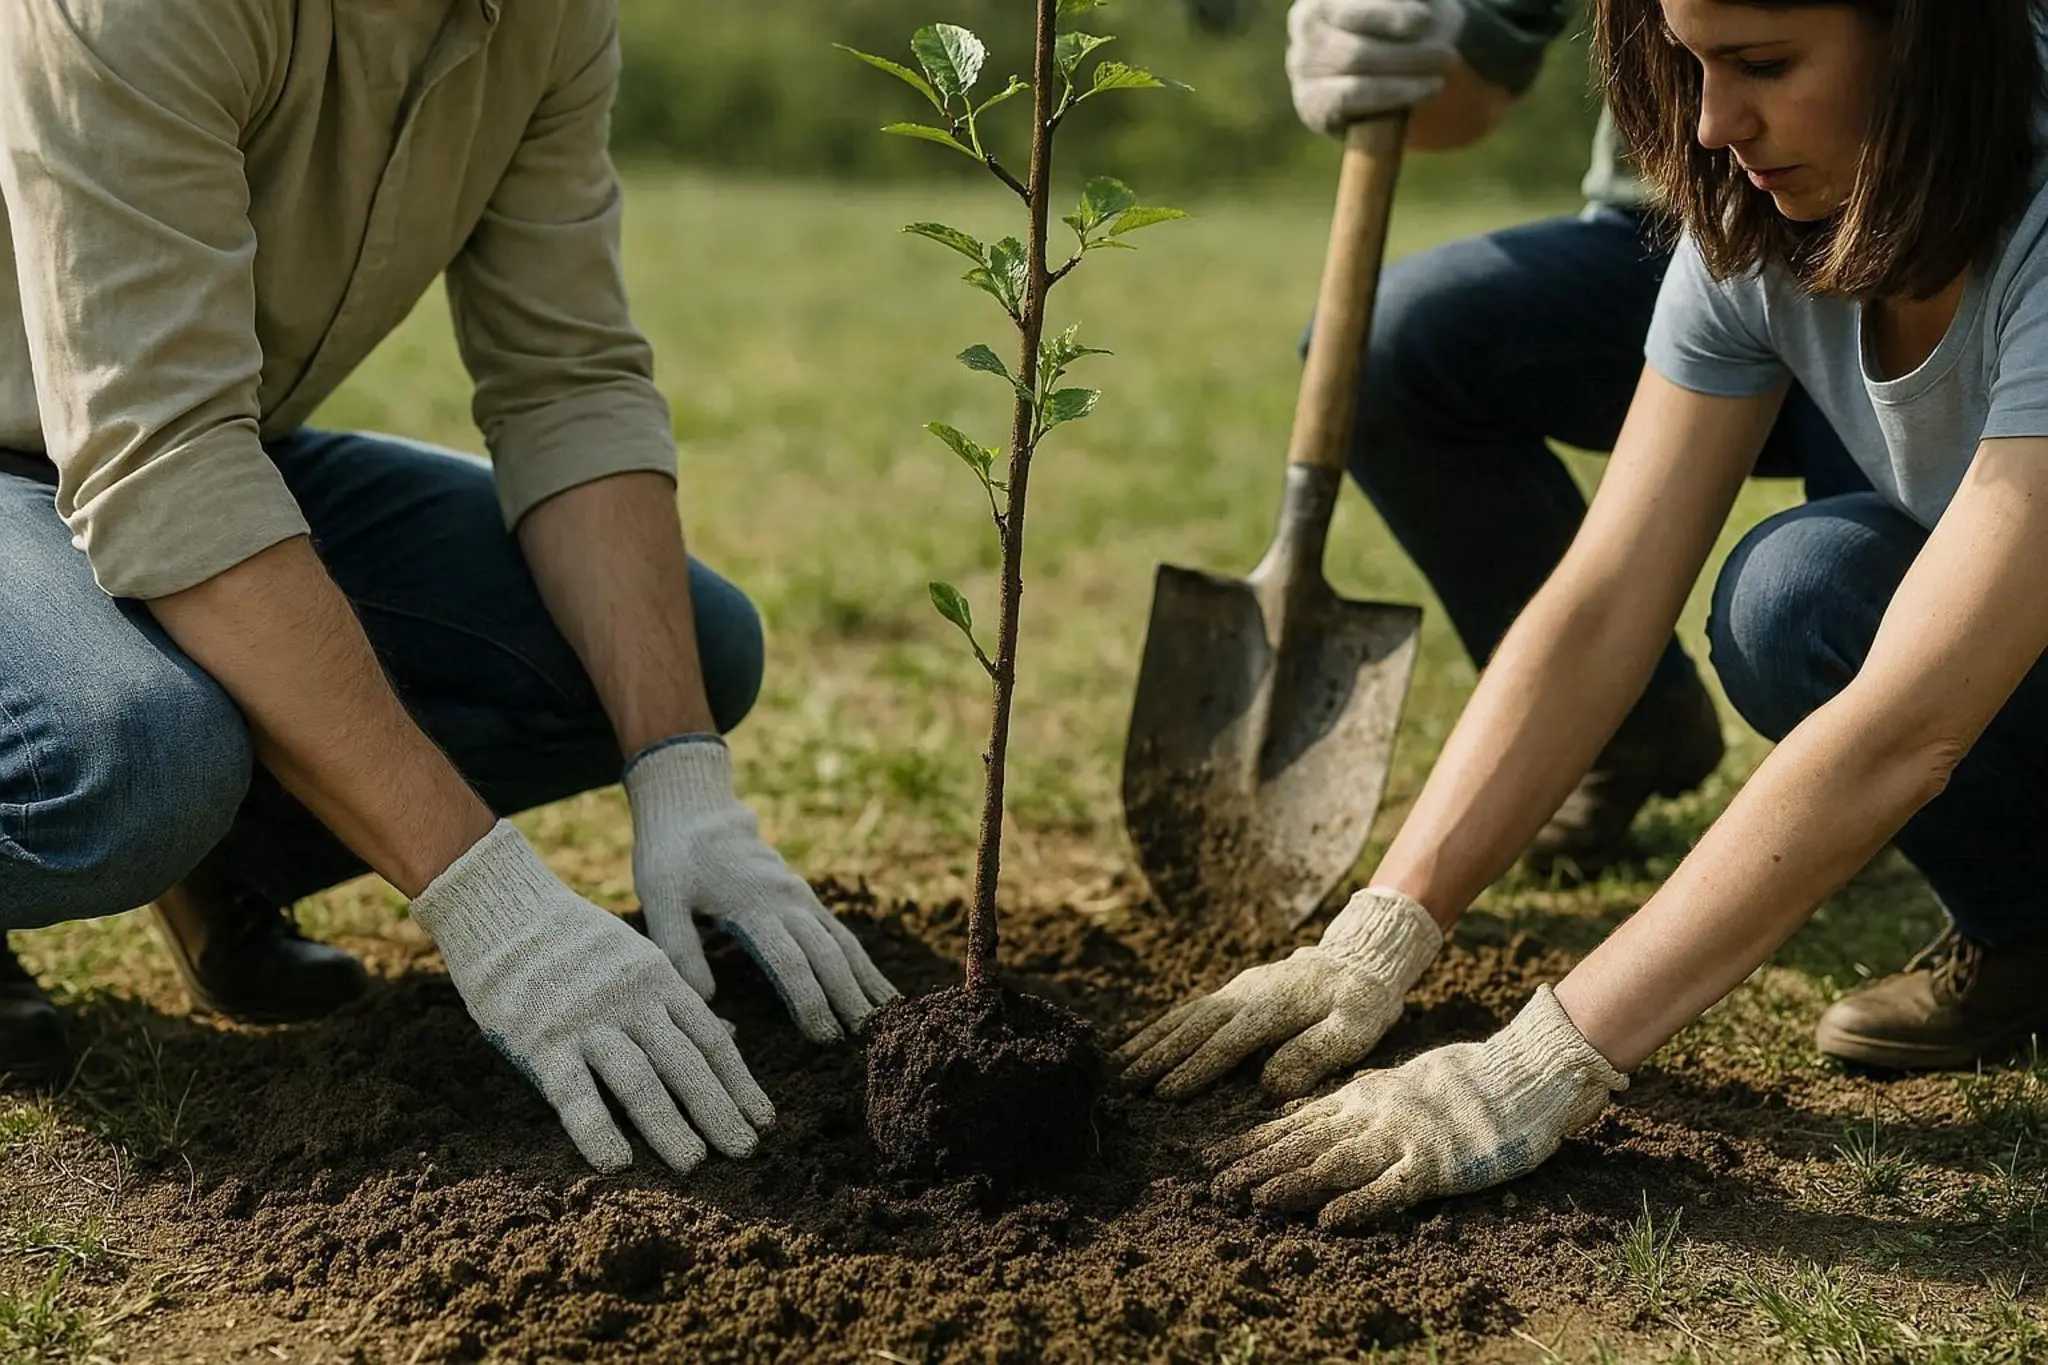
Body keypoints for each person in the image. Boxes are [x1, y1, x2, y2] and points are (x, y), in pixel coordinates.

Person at [1121, 0, 2048, 1226]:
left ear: (1925, 36)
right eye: (1689, 63)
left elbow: (1909, 718)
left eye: (1762, 65)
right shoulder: (1760, 216)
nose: (1713, 122)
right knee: (1810, 593)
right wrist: (1384, 928)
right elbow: (1606, 593)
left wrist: (1540, 1062)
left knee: (1806, 600)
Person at [0, 0, 899, 1176]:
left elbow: (565, 381)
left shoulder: (545, 18)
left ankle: (225, 848)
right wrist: (488, 902)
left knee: (692, 649)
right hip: (104, 450)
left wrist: (682, 776)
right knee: (132, 757)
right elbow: (159, 459)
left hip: (200, 442)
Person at [1288, 0, 1866, 878]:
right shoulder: (1710, 154)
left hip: (1931, 238)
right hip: (1682, 232)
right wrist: (1382, 48)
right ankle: (1623, 727)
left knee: (1827, 596)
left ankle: (1975, 852)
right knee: (1392, 351)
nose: (1710, 114)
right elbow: (1470, 91)